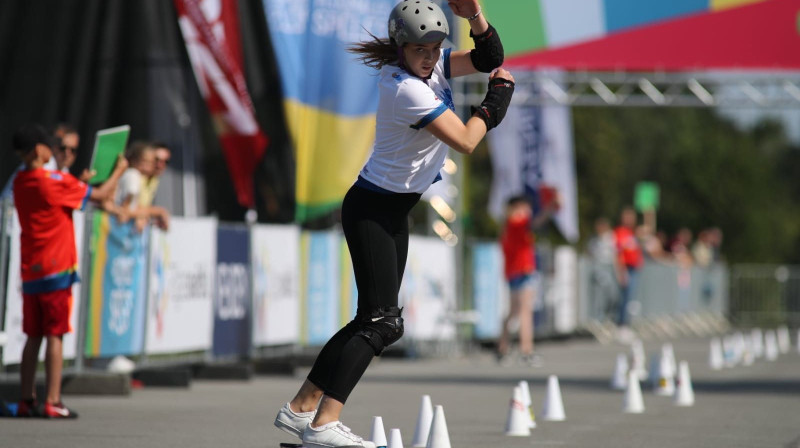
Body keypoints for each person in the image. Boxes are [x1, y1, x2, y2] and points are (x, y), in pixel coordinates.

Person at [273, 1, 513, 447]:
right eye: (419, 48)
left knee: (374, 318)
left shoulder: (432, 67)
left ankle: (301, 408)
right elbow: (465, 140)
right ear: (401, 46)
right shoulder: (407, 89)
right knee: (383, 323)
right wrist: (496, 101)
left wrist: (474, 16)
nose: (429, 56)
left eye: (435, 47)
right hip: (372, 209)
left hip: (390, 208)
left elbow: (488, 59)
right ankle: (324, 425)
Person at [11, 123, 127, 418]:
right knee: (55, 335)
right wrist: (118, 172)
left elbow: (63, 197)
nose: (54, 150)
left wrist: (77, 181)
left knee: (33, 337)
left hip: (32, 270)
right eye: (50, 145)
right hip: (57, 268)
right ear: (40, 150)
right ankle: (52, 399)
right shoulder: (53, 180)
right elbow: (99, 196)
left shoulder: (22, 181)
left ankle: (26, 400)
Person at [496, 194, 556, 366]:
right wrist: (550, 206)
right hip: (523, 271)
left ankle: (503, 347)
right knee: (525, 312)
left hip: (513, 272)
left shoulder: (507, 226)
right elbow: (537, 222)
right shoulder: (516, 223)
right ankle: (526, 350)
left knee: (513, 311)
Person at [614, 207, 643, 336]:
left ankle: (627, 323)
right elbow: (618, 252)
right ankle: (621, 325)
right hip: (625, 268)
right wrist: (621, 270)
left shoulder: (632, 233)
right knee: (625, 297)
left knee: (630, 298)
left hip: (633, 268)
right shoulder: (620, 232)